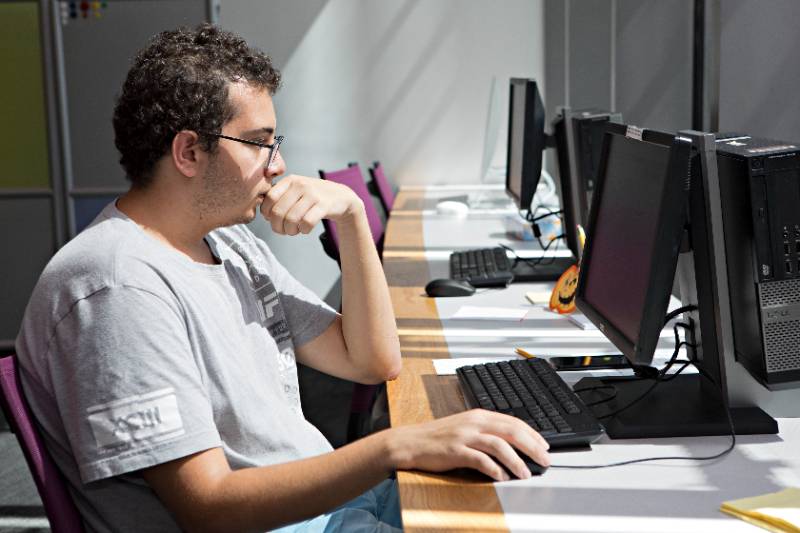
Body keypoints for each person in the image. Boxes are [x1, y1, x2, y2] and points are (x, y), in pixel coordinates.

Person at [15, 24, 550, 532]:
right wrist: (395, 446)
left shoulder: (227, 241)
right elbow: (211, 509)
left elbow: (371, 361)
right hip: (298, 521)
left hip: (334, 507)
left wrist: (353, 217)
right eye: (259, 142)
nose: (278, 164)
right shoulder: (116, 288)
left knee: (532, 494)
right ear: (189, 151)